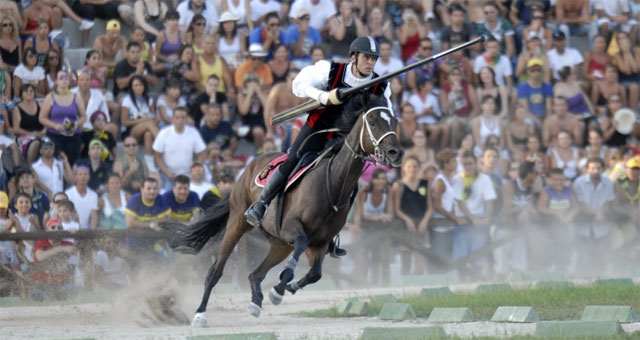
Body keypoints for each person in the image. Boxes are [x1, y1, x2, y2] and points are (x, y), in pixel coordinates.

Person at [244, 36, 392, 233]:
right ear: (354, 57)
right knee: (293, 160)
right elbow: (299, 84)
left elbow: (386, 114)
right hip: (317, 129)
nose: (371, 63)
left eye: (374, 59)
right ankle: (261, 205)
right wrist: (322, 96)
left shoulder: (381, 85)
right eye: (366, 58)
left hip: (345, 139)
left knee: (351, 182)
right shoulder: (329, 70)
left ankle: (332, 231)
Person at [452, 150, 495, 274]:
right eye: (465, 164)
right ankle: (462, 284)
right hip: (462, 222)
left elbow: (489, 201)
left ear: (476, 163)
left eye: (470, 163)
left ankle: (476, 281)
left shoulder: (484, 179)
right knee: (461, 257)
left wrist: (487, 217)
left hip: (478, 222)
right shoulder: (457, 179)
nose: (468, 167)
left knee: (478, 257)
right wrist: (472, 218)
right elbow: (460, 202)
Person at [494, 161, 538, 273]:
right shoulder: (510, 185)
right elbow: (508, 210)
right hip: (503, 228)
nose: (537, 175)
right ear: (528, 174)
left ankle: (518, 288)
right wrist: (524, 209)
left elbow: (531, 209)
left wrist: (527, 210)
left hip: (519, 229)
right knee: (502, 268)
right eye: (535, 173)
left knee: (520, 267)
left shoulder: (530, 188)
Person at [572, 157, 615, 270]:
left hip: (602, 224)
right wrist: (597, 214)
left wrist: (600, 214)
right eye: (592, 168)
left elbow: (608, 201)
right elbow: (581, 204)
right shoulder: (579, 182)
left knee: (601, 255)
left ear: (603, 168)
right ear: (587, 169)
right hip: (584, 223)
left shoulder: (608, 182)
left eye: (598, 168)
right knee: (583, 255)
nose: (596, 171)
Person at [351, 167, 393, 285]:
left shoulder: (388, 191)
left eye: (384, 179)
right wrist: (379, 217)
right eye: (378, 179)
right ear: (372, 180)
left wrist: (386, 216)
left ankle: (379, 283)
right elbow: (360, 214)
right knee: (364, 258)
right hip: (365, 227)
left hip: (379, 229)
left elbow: (390, 212)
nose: (381, 182)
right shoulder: (363, 193)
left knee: (379, 256)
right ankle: (363, 283)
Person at [38, 69, 87, 166]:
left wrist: (76, 124)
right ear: (56, 81)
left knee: (73, 163)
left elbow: (84, 117)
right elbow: (42, 118)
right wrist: (55, 125)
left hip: (73, 135)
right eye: (61, 78)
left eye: (66, 78)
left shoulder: (76, 97)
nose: (64, 80)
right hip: (55, 135)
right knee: (57, 162)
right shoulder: (50, 97)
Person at [152, 107, 207, 191]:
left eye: (183, 117)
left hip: (188, 175)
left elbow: (202, 152)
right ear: (173, 119)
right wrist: (167, 173)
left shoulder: (193, 132)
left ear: (186, 119)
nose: (180, 120)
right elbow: (157, 156)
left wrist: (195, 168)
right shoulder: (164, 133)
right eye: (177, 117)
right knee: (168, 199)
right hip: (169, 176)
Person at [430, 148, 467, 272]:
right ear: (445, 163)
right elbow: (437, 205)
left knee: (447, 255)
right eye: (453, 161)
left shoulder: (451, 179)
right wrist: (455, 217)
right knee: (439, 256)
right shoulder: (440, 181)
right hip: (439, 225)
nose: (456, 164)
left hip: (448, 224)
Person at [536, 168, 578, 270]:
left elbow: (576, 207)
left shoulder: (568, 190)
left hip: (566, 225)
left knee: (567, 247)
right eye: (555, 180)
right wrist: (557, 214)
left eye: (561, 180)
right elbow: (541, 207)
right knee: (552, 248)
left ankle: (565, 268)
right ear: (550, 180)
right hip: (550, 226)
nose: (558, 182)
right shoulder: (546, 191)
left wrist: (569, 217)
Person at [120, 75, 158, 170]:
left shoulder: (149, 101)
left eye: (140, 85)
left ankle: (150, 165)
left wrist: (154, 119)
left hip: (146, 129)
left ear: (144, 86)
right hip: (131, 131)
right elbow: (124, 122)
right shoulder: (127, 100)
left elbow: (154, 118)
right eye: (135, 85)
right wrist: (141, 120)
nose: (138, 87)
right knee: (148, 123)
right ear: (132, 87)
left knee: (148, 134)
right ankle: (163, 143)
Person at [65, 166, 99, 230]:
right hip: (71, 229)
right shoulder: (68, 193)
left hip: (87, 230)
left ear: (89, 177)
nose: (83, 177)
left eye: (85, 174)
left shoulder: (93, 195)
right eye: (80, 174)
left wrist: (92, 233)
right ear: (76, 177)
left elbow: (94, 216)